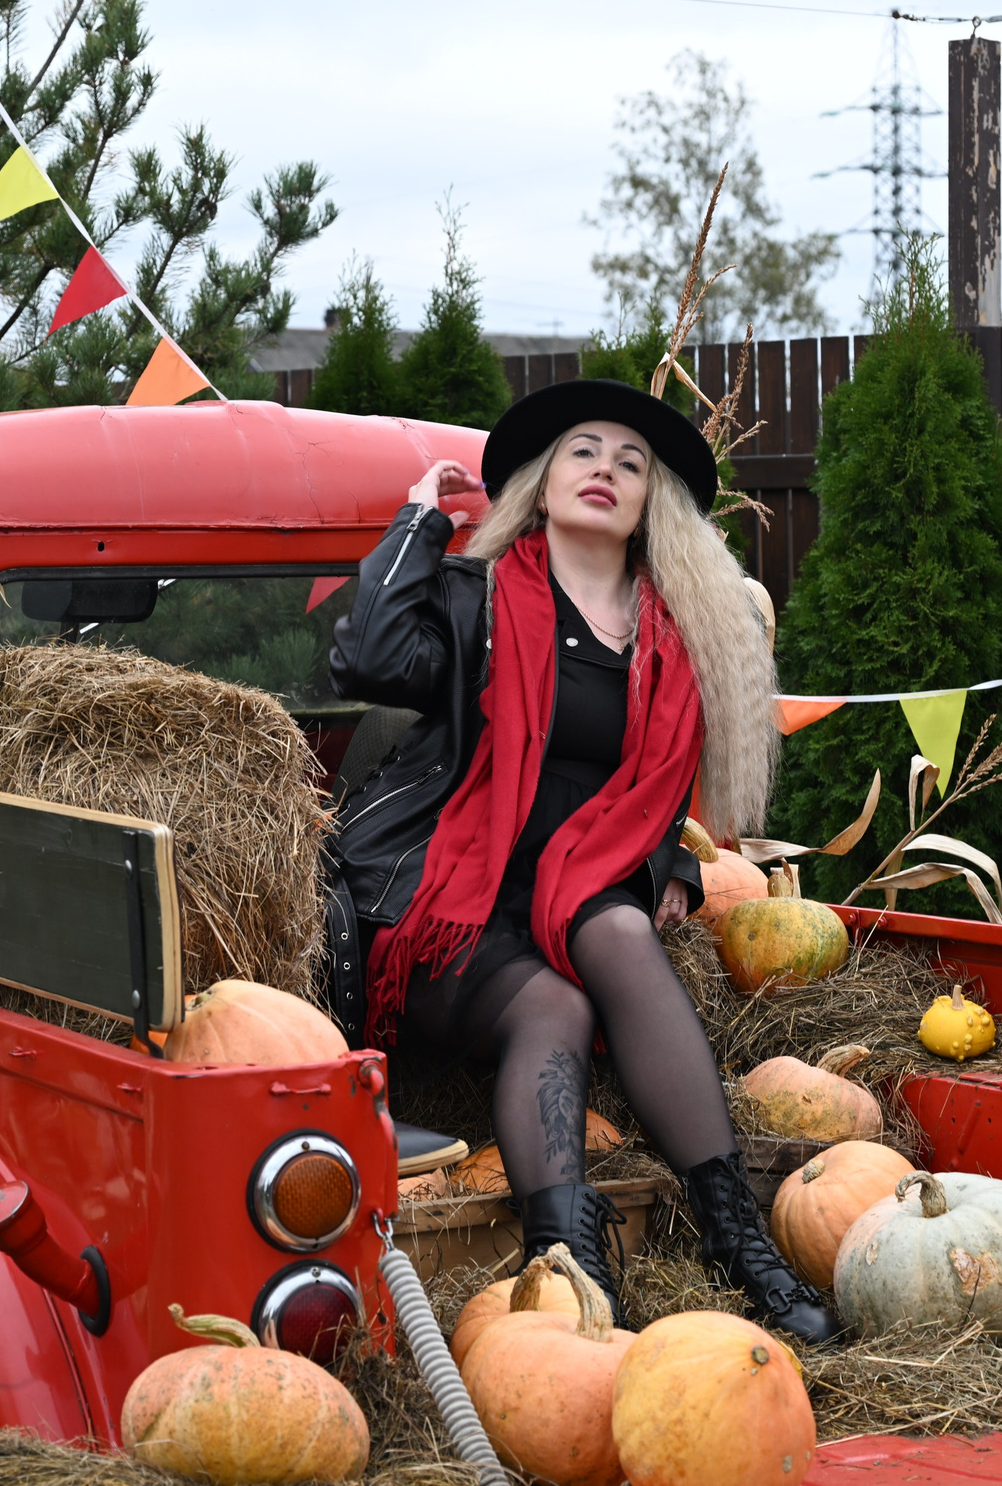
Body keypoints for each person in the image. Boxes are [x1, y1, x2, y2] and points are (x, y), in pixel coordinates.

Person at [324, 379, 837, 1344]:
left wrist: (672, 868)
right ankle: (575, 1265)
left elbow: (647, 801)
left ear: (652, 506)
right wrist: (416, 523)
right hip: (447, 898)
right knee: (557, 1005)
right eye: (583, 451)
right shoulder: (477, 595)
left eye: (630, 461)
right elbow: (371, 661)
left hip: (575, 894)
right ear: (544, 481)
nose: (605, 469)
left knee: (624, 930)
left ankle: (738, 1237)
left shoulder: (672, 640)